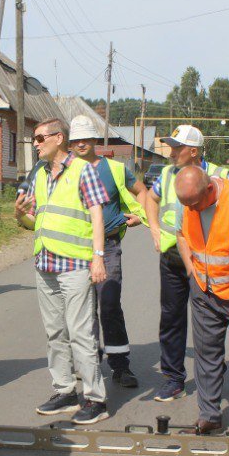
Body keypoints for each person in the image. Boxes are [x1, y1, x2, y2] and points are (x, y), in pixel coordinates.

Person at [14, 117, 111, 424]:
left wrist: (98, 257)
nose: (36, 143)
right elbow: (36, 221)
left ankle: (95, 399)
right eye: (35, 139)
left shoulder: (83, 170)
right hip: (46, 263)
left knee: (81, 332)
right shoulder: (40, 174)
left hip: (76, 264)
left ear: (59, 138)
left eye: (40, 138)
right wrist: (20, 215)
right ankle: (65, 391)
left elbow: (97, 214)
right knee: (55, 332)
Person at [141, 125, 229, 403]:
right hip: (173, 258)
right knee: (171, 319)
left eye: (176, 148)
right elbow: (151, 198)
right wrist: (155, 230)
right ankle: (173, 378)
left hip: (207, 262)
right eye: (170, 147)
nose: (171, 153)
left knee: (208, 322)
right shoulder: (167, 174)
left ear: (193, 151)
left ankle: (212, 372)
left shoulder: (221, 175)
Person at [173, 166, 229, 436]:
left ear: (210, 189)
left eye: (196, 203)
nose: (192, 209)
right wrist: (192, 271)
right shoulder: (187, 201)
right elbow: (181, 233)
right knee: (206, 355)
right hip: (204, 291)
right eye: (186, 204)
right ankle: (209, 415)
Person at [66, 114, 150, 389]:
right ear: (70, 142)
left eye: (85, 139)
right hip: (76, 248)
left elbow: (142, 192)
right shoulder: (65, 171)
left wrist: (141, 216)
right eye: (76, 140)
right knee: (81, 311)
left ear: (94, 140)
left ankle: (120, 366)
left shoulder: (114, 169)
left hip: (110, 246)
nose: (81, 144)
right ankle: (87, 364)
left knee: (110, 305)